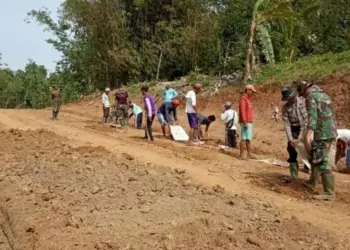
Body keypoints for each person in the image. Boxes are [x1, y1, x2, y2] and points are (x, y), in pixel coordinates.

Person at [298, 80, 337, 200]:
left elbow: (312, 117)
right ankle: (312, 181)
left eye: (303, 94)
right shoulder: (325, 95)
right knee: (316, 157)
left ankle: (329, 192)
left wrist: (309, 133)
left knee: (322, 161)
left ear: (305, 90)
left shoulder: (311, 97)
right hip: (331, 131)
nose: (303, 97)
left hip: (321, 133)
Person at [281, 87, 309, 183]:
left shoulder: (304, 101)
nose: (289, 100)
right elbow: (287, 124)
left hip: (306, 128)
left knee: (310, 150)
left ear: (294, 95)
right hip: (293, 129)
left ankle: (312, 174)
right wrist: (290, 139)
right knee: (291, 150)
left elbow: (305, 122)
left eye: (290, 97)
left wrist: (301, 136)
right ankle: (293, 175)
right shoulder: (285, 108)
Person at [239, 84, 257, 159]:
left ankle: (249, 153)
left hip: (249, 122)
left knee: (248, 138)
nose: (252, 93)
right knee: (243, 138)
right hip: (245, 121)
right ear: (248, 90)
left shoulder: (248, 99)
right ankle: (242, 154)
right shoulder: (243, 99)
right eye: (251, 91)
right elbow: (242, 111)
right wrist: (245, 122)